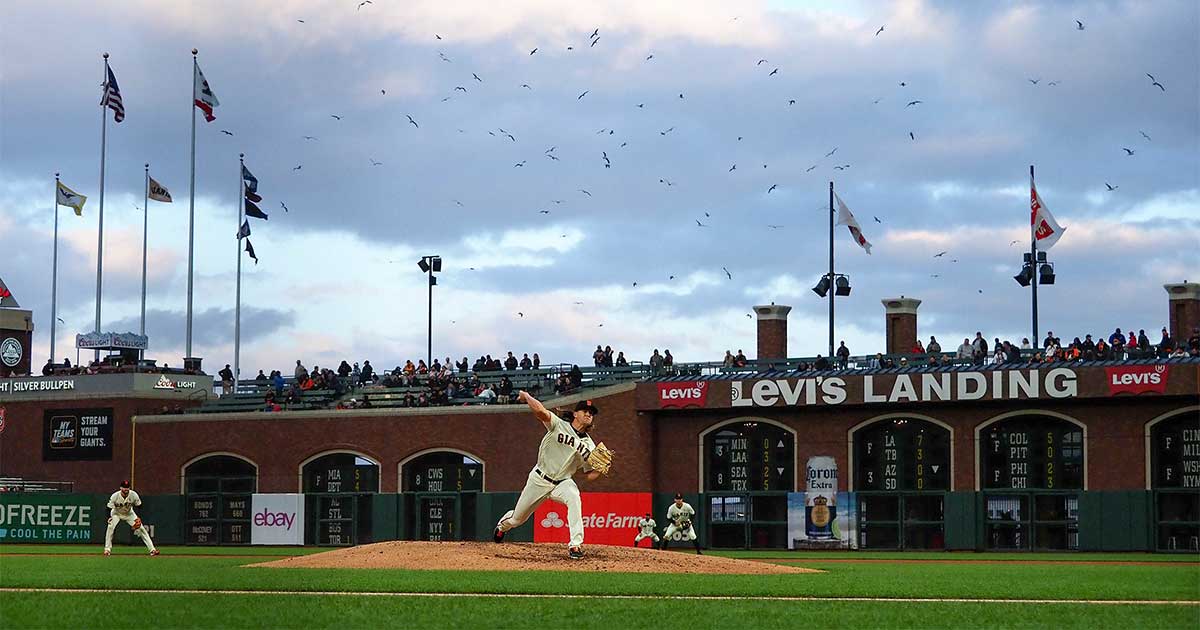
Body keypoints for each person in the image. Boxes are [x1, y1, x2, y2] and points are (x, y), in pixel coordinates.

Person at [494, 394, 603, 560]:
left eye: (591, 412)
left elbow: (589, 475)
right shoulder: (558, 425)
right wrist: (527, 396)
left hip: (563, 482)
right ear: (575, 414)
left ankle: (575, 544)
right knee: (518, 519)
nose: (589, 414)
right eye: (584, 411)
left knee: (574, 498)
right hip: (539, 478)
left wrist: (600, 469)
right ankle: (503, 526)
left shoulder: (590, 445)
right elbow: (540, 412)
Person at [104, 480, 158, 556]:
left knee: (141, 528)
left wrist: (138, 518)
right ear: (120, 488)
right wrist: (109, 517)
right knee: (110, 527)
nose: (126, 489)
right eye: (124, 487)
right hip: (116, 513)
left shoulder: (134, 495)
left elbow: (139, 506)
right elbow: (108, 508)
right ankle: (107, 550)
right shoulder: (115, 496)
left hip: (129, 514)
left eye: (127, 487)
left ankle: (152, 550)